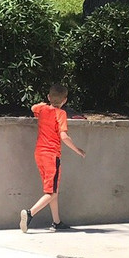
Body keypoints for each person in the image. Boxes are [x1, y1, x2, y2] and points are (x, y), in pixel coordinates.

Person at [20, 83, 86, 233]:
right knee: (51, 192)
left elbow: (33, 108)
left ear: (49, 97)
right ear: (65, 100)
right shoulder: (61, 114)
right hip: (52, 156)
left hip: (39, 154)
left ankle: (56, 222)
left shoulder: (42, 109)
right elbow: (64, 136)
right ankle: (30, 213)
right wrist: (78, 150)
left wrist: (46, 103)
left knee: (52, 189)